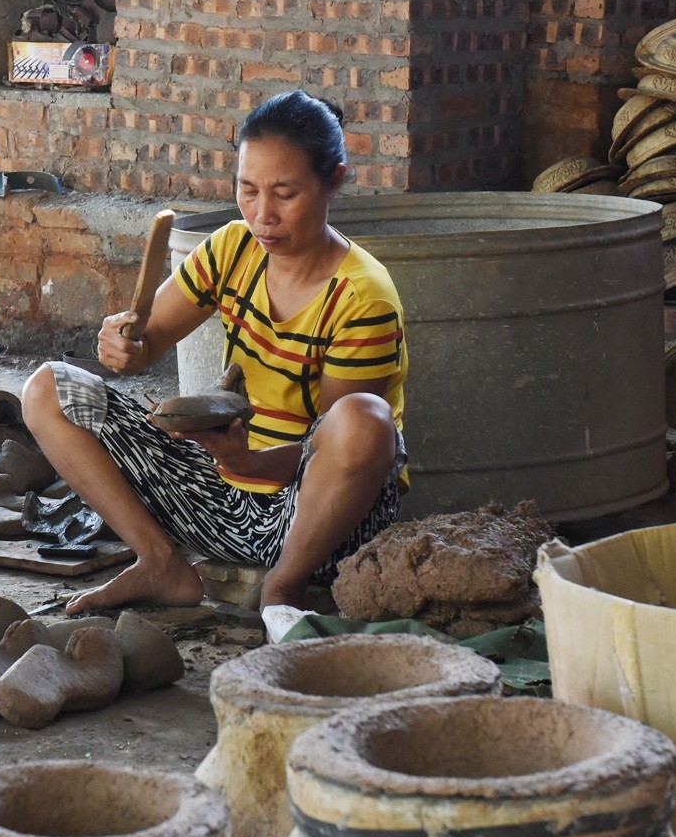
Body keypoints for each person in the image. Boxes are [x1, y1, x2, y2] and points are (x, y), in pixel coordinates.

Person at [21, 90, 409, 613]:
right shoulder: (233, 247)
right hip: (221, 497)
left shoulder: (363, 297)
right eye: (247, 190)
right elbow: (146, 341)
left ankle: (284, 587)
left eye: (285, 194)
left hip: (314, 522)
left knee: (365, 420)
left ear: (333, 182)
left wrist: (245, 456)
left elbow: (334, 451)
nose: (262, 215)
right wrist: (123, 345)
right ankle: (160, 562)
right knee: (48, 388)